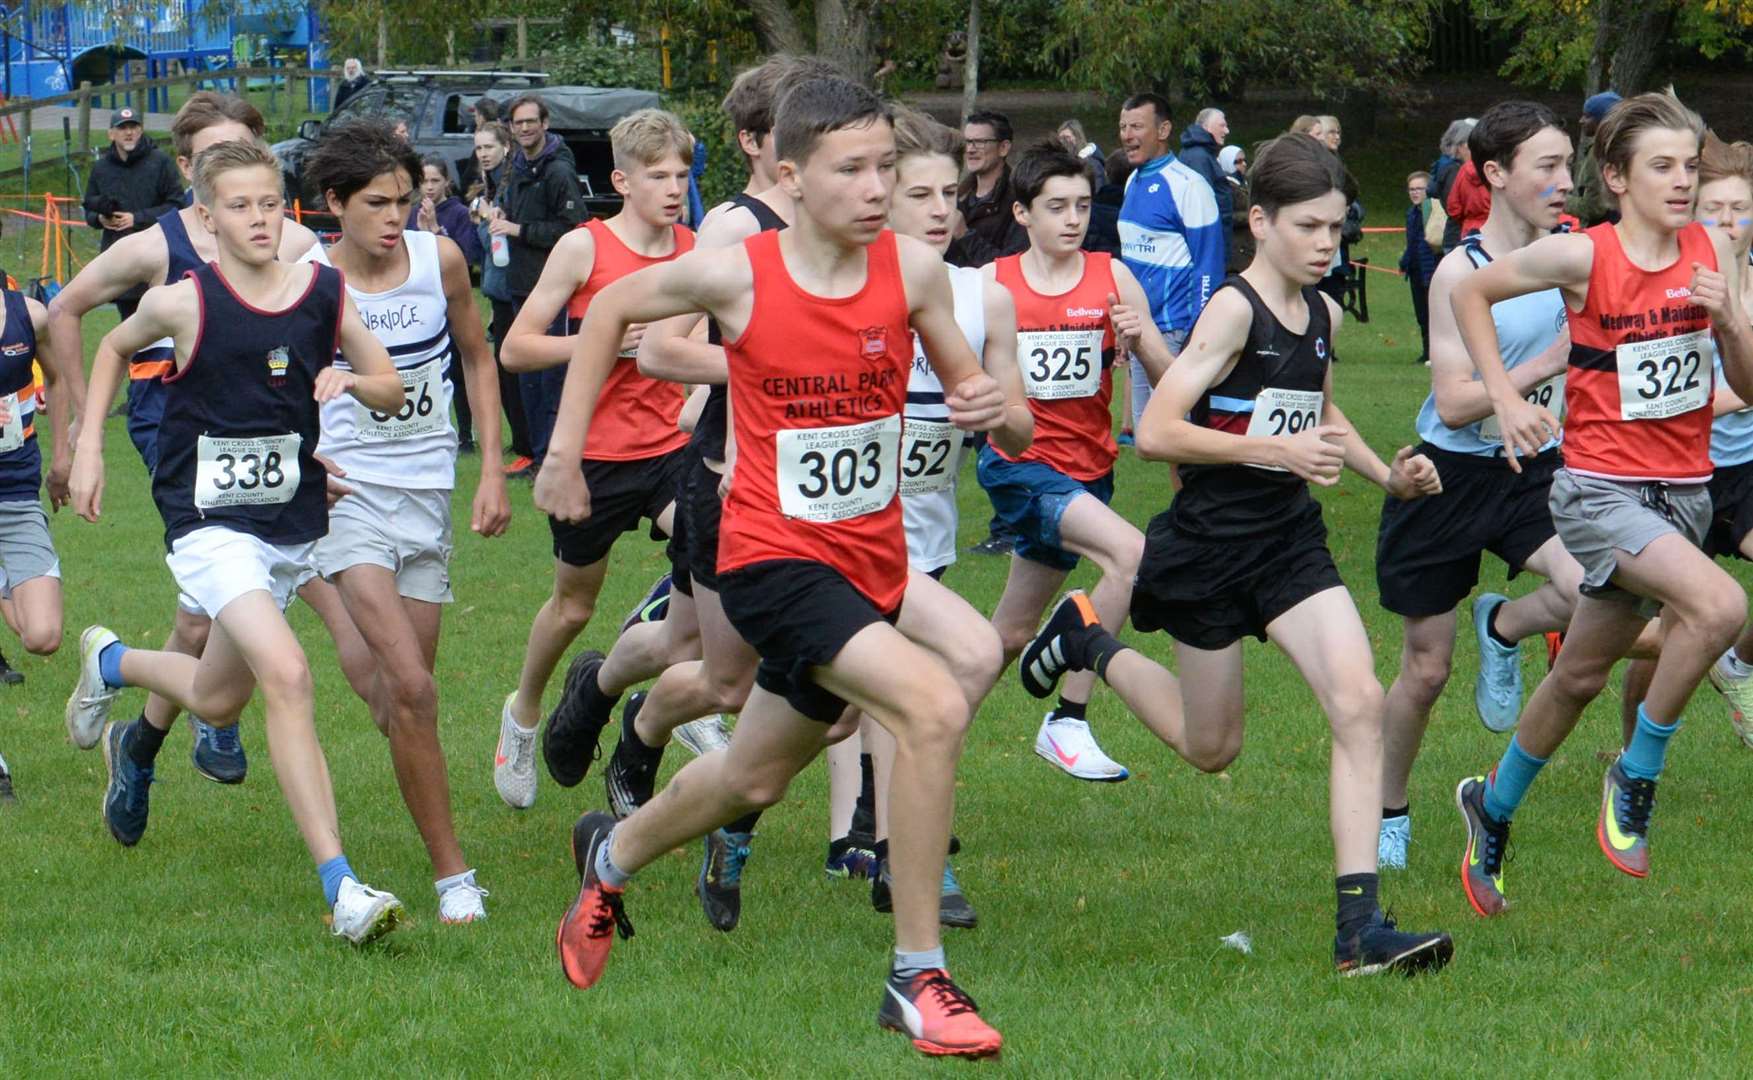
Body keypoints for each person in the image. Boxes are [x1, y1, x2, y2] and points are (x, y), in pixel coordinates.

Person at [539, 74, 1013, 1059]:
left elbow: (994, 405)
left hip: (869, 563)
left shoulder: (913, 278)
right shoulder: (738, 274)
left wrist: (989, 409)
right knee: (929, 702)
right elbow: (611, 311)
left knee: (750, 781)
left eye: (887, 165)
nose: (878, 188)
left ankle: (610, 855)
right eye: (854, 170)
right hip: (767, 557)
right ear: (791, 176)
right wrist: (560, 453)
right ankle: (915, 976)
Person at [1016, 132, 1456, 975]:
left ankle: (1357, 931)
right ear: (1260, 222)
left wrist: (1385, 478)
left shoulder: (1322, 314)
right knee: (1210, 746)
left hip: (1288, 543)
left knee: (1358, 701)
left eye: (1336, 227)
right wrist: (1272, 453)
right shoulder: (1231, 309)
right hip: (1209, 549)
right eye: (1310, 227)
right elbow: (1157, 430)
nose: (1328, 244)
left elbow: (1321, 416)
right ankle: (1086, 644)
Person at [66, 137, 410, 945]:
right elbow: (114, 347)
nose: (257, 219)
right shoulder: (182, 300)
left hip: (287, 525)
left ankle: (110, 663)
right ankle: (343, 888)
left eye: (268, 203)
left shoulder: (323, 292)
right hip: (207, 527)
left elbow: (392, 389)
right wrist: (86, 445)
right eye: (238, 206)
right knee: (288, 673)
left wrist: (352, 380)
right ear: (206, 218)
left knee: (220, 697)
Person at [1450, 91, 1751, 917]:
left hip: (1682, 494)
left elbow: (1749, 387)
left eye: (1689, 166)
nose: (1682, 181)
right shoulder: (1583, 257)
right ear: (1615, 178)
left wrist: (1728, 324)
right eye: (1661, 167)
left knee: (1579, 672)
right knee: (1721, 605)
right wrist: (1507, 398)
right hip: (1596, 490)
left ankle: (1491, 807)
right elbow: (1468, 295)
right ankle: (1636, 769)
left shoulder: (1715, 249)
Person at [560, 58, 826, 931]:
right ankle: (626, 728)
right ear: (762, 146)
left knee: (800, 689)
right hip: (727, 479)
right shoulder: (733, 230)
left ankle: (626, 718)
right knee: (722, 677)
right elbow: (661, 351)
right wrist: (778, 371)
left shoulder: (847, 225)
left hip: (821, 498)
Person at [46, 91, 367, 787]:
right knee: (244, 588)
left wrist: (302, 455)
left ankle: (140, 735)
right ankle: (215, 715)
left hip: (260, 439)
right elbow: (68, 308)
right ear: (192, 171)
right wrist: (79, 426)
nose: (241, 183)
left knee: (197, 627)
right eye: (217, 160)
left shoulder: (291, 243)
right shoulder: (153, 247)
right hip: (174, 426)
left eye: (246, 154)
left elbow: (304, 358)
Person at [301, 121, 510, 924]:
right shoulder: (310, 278)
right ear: (334, 205)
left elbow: (478, 358)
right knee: (416, 690)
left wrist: (490, 467)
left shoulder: (440, 259)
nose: (398, 219)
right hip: (348, 496)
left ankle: (327, 605)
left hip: (428, 497)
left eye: (407, 201)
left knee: (396, 704)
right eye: (379, 204)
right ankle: (454, 877)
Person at [1375, 103, 1586, 872]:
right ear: (1496, 175)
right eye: (1546, 167)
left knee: (1590, 587)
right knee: (1425, 671)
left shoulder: (1571, 251)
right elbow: (1459, 400)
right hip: (1449, 475)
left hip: (1535, 471)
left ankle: (1502, 627)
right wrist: (1549, 362)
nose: (1564, 183)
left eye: (1567, 166)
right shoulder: (1458, 274)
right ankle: (1388, 809)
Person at [848, 104, 1031, 927]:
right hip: (840, 535)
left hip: (923, 535)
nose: (937, 210)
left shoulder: (980, 296)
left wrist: (990, 408)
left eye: (949, 194)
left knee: (909, 694)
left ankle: (900, 855)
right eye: (918, 193)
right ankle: (697, 779)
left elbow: (1021, 426)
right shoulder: (843, 284)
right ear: (882, 198)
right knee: (801, 722)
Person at [493, 109, 697, 819]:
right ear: (621, 180)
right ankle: (522, 714)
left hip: (672, 449)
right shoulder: (584, 248)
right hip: (593, 458)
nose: (673, 188)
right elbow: (515, 349)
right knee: (573, 605)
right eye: (657, 176)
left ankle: (681, 670)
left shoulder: (699, 250)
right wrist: (601, 344)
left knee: (715, 558)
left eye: (681, 174)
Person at [982, 140, 1175, 782]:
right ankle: (1068, 719)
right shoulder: (994, 284)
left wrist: (1139, 337)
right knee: (1131, 555)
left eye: (1084, 205)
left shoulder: (1111, 275)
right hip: (1021, 468)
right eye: (1056, 206)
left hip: (1090, 471)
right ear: (1022, 213)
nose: (1073, 218)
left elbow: (1167, 380)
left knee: (1007, 637)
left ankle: (921, 727)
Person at [0, 271, 78, 797]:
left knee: (43, 637)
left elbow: (54, 378)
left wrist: (63, 458)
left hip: (16, 495)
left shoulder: (28, 313)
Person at [1116, 91, 1225, 427]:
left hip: (1175, 331)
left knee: (1181, 431)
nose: (1126, 135)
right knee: (1152, 435)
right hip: (1139, 330)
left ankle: (1199, 483)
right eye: (1122, 126)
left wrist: (1199, 333)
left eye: (1136, 126)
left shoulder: (1190, 186)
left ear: (1163, 131)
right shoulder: (1133, 179)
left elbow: (1209, 266)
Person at [489, 93, 586, 467]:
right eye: (518, 123)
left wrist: (518, 229)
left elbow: (572, 229)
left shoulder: (557, 171)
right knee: (525, 373)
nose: (525, 128)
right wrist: (500, 213)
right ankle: (533, 453)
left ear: (545, 124)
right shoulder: (517, 164)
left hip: (552, 289)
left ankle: (555, 456)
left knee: (551, 376)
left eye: (531, 121)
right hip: (519, 284)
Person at [469, 121, 535, 474]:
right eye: (478, 148)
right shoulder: (490, 186)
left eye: (489, 147)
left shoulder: (509, 188)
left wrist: (483, 221)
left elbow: (494, 245)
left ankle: (529, 447)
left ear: (505, 147)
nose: (483, 153)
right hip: (498, 291)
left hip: (514, 289)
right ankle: (522, 442)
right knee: (504, 370)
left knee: (515, 370)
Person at [412, 154, 484, 451]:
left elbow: (468, 255)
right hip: (419, 298)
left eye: (435, 181)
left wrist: (435, 231)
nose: (429, 187)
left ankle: (466, 433)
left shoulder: (457, 213)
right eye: (424, 181)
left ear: (447, 182)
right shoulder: (410, 211)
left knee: (458, 366)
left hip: (450, 297)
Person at [82, 107, 184, 318]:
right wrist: (101, 219)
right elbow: (89, 209)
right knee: (128, 329)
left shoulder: (160, 161)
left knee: (161, 325)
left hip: (157, 255)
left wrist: (136, 218)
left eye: (133, 127)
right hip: (119, 260)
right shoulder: (101, 168)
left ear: (141, 130)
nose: (128, 133)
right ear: (111, 134)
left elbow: (177, 205)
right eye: (122, 128)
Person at [957, 109, 1026, 261]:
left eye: (980, 142)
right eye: (967, 142)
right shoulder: (956, 195)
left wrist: (965, 236)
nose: (970, 149)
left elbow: (1013, 265)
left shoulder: (1020, 199)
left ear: (1003, 148)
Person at [1179, 108, 1234, 263]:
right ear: (1206, 127)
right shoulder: (1199, 157)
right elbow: (1202, 205)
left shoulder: (1202, 154)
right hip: (1209, 244)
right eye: (1222, 126)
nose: (1227, 131)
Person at [1399, 170, 1440, 364]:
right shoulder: (1411, 213)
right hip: (1415, 269)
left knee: (1434, 313)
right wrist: (1405, 261)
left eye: (1419, 189)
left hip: (1430, 268)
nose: (1415, 193)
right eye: (1411, 189)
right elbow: (1412, 243)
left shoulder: (1433, 211)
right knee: (1422, 314)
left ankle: (1436, 353)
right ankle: (1427, 351)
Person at [1569, 91, 1623, 228]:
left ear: (1602, 121)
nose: (1581, 121)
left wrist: (1561, 200)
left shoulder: (1600, 153)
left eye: (1587, 116)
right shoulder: (1623, 147)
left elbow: (1593, 209)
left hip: (1603, 234)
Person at [1430, 118, 1476, 253]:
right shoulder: (1453, 170)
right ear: (1460, 145)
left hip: (1461, 236)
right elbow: (1456, 208)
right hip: (1458, 239)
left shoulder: (1449, 166)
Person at [1218, 144, 1254, 271]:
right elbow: (1225, 215)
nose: (1243, 164)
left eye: (1244, 160)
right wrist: (1250, 216)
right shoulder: (1225, 186)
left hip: (1248, 242)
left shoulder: (1244, 182)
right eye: (1237, 161)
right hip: (1236, 245)